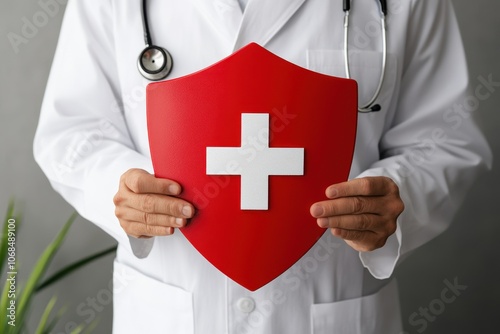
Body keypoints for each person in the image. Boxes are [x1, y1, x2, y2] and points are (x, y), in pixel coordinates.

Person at [34, 0, 492, 333]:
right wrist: (120, 190)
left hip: (330, 304)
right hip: (173, 308)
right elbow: (73, 131)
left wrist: (400, 196)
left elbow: (446, 140)